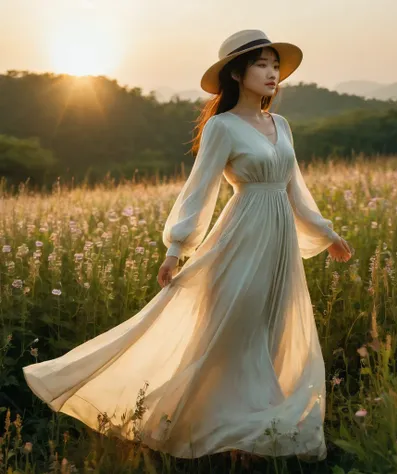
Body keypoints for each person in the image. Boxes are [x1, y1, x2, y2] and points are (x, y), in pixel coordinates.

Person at [23, 29, 352, 464]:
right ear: (237, 73)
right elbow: (201, 189)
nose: (273, 73)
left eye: (276, 65)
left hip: (280, 246)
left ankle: (254, 436)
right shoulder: (222, 126)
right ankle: (205, 425)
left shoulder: (282, 126)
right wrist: (176, 249)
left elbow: (295, 189)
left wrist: (326, 233)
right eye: (262, 65)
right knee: (235, 334)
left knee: (271, 332)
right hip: (241, 239)